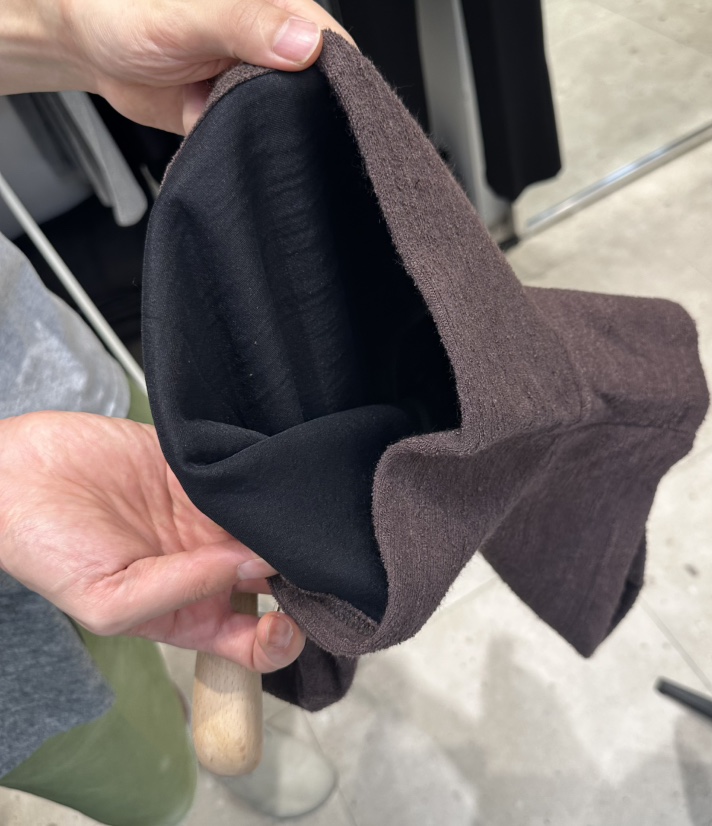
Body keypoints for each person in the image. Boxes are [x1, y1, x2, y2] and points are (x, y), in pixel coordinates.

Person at [0, 2, 354, 823]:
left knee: (205, 576)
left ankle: (216, 699)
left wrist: (66, 38)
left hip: (59, 401)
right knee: (147, 781)